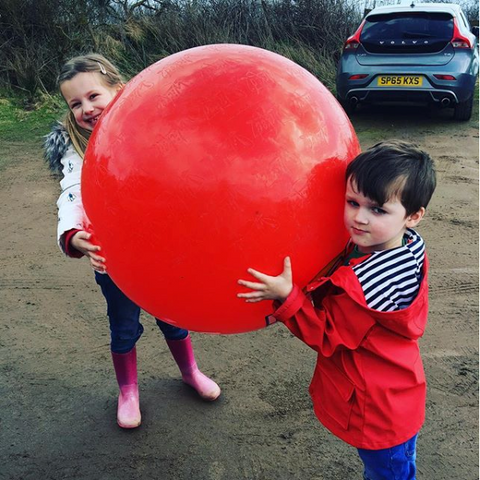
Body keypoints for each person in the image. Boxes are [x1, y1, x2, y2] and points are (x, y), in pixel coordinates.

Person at [237, 140, 436, 480]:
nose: (359, 218)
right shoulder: (402, 246)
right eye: (352, 202)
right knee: (400, 462)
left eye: (378, 210)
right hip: (398, 394)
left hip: (380, 411)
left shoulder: (367, 287)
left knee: (388, 473)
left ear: (414, 216)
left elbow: (326, 334)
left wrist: (288, 297)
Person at [44, 53, 221, 430]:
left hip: (161, 252)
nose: (86, 108)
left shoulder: (152, 129)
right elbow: (72, 193)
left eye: (93, 96)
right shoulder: (77, 150)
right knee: (123, 326)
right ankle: (128, 391)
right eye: (75, 103)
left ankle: (190, 371)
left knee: (173, 317)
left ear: (119, 89)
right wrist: (73, 236)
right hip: (115, 259)